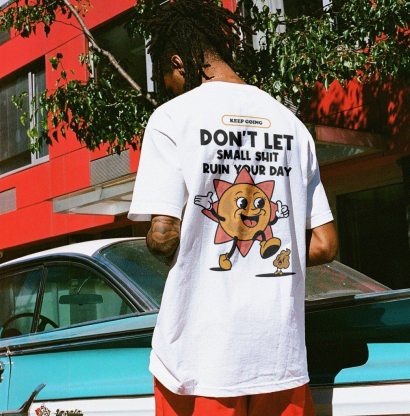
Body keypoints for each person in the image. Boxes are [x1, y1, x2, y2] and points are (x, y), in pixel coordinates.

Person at [127, 1, 338, 415]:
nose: (170, 89)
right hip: (280, 360)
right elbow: (325, 244)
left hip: (198, 362)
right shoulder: (291, 125)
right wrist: (261, 250)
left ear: (178, 62)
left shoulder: (172, 118)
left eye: (168, 78)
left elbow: (164, 237)